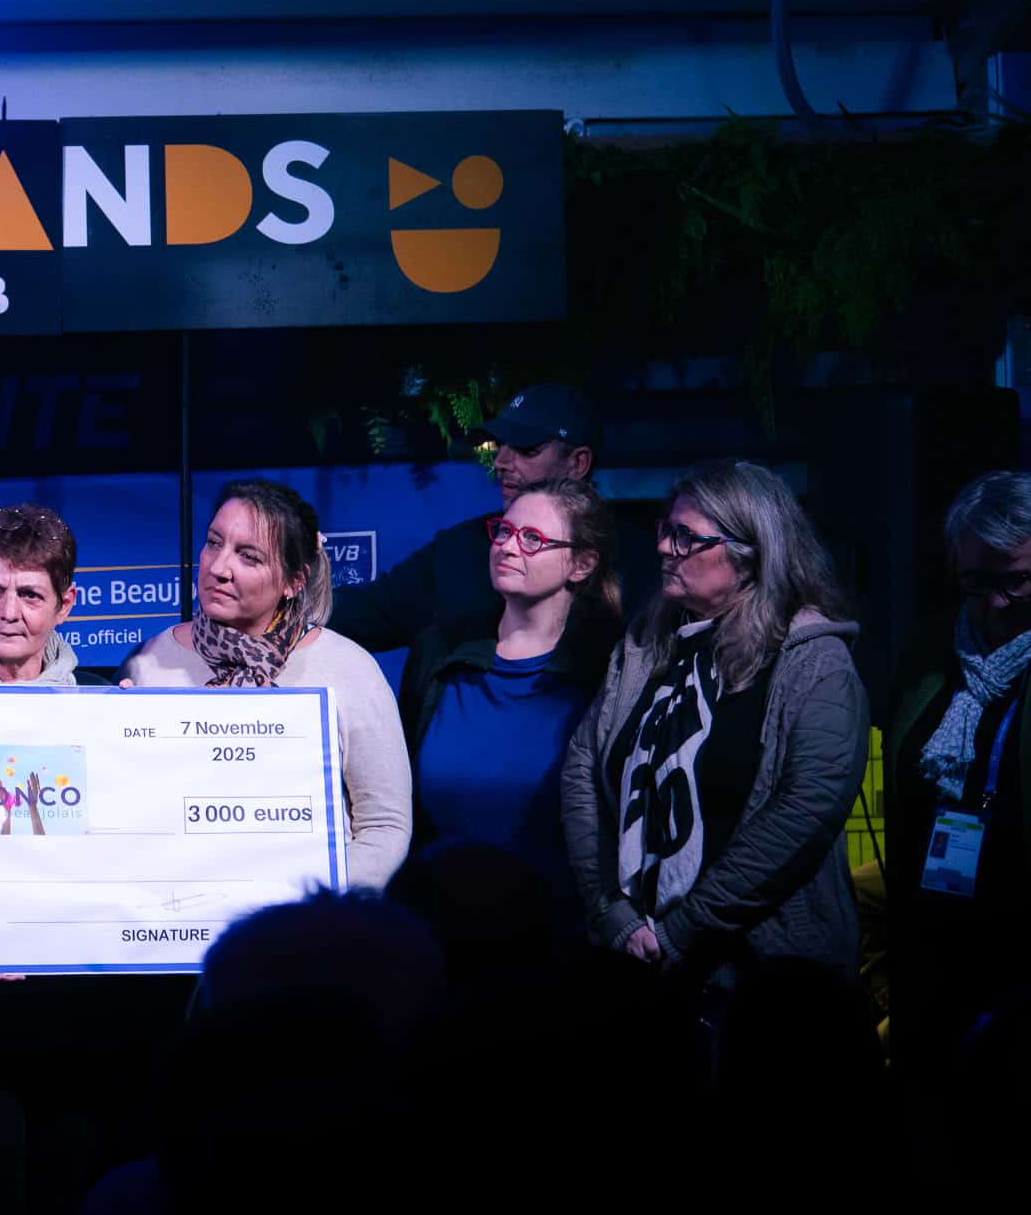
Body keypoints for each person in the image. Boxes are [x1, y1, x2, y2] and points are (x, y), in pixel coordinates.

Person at [562, 459, 867, 1003]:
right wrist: (615, 913)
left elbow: (806, 810)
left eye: (686, 537)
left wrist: (682, 932)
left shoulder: (812, 660)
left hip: (767, 986)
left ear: (750, 555)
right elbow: (583, 768)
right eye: (665, 530)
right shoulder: (646, 643)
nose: (663, 547)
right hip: (637, 969)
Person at [120, 479, 412, 888]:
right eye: (213, 543)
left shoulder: (350, 670)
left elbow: (384, 826)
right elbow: (127, 814)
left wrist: (311, 899)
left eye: (248, 556)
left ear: (294, 581)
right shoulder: (148, 663)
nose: (219, 568)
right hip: (181, 906)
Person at [398, 477, 619, 934]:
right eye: (503, 531)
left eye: (532, 538)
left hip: (565, 934)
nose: (507, 547)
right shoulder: (440, 649)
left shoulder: (611, 663)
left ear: (582, 564)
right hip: (442, 928)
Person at [884, 471, 1031, 1094]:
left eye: (1015, 580)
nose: (995, 602)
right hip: (932, 939)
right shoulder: (931, 648)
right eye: (976, 581)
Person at [328, 381, 654, 652]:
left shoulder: (642, 563)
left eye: (526, 449)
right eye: (499, 446)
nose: (501, 462)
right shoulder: (458, 550)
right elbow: (361, 614)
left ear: (578, 463)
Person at [0, 503, 107, 686]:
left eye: (30, 595)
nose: (9, 613)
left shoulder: (103, 699)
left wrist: (126, 701)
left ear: (64, 605)